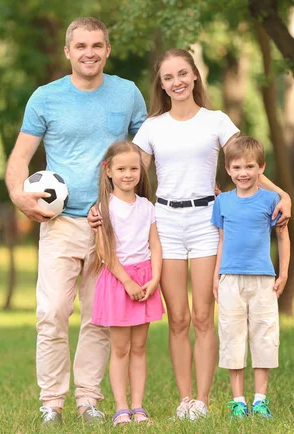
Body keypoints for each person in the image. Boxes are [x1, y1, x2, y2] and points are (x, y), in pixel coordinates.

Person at [90, 48, 292, 420]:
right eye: (168, 77)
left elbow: (246, 162)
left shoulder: (216, 121)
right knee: (178, 318)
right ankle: (185, 400)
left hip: (205, 222)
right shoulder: (153, 126)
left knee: (203, 316)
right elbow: (129, 173)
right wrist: (98, 206)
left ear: (195, 76)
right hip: (165, 223)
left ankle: (202, 399)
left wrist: (282, 194)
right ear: (161, 84)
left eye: (182, 74)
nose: (177, 82)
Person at [5, 17, 147, 425]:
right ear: (67, 51)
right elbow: (19, 159)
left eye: (97, 45)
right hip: (60, 223)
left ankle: (88, 400)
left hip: (111, 224)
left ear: (107, 49)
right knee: (51, 312)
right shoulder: (46, 98)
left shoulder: (128, 94)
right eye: (81, 46)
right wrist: (20, 197)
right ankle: (51, 402)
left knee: (99, 317)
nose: (90, 53)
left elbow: (145, 153)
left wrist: (127, 201)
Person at [211, 136, 290, 419]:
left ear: (261, 168)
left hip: (263, 280)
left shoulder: (271, 200)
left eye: (249, 166)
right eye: (237, 167)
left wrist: (284, 272)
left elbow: (282, 236)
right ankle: (238, 401)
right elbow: (221, 241)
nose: (243, 173)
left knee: (264, 336)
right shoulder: (223, 202)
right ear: (228, 170)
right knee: (232, 337)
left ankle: (260, 400)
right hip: (230, 279)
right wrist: (215, 277)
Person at [91, 141, 165, 426]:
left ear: (141, 170)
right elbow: (104, 252)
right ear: (108, 171)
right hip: (118, 281)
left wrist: (155, 277)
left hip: (145, 279)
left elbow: (155, 245)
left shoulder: (147, 207)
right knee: (120, 348)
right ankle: (121, 407)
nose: (128, 174)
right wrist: (127, 282)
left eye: (133, 168)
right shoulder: (103, 208)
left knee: (140, 347)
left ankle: (138, 406)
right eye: (121, 169)